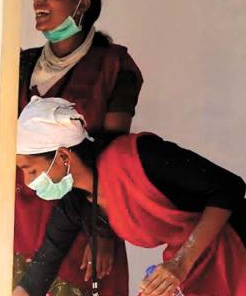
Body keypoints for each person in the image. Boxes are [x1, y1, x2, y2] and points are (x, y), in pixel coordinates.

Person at [13, 97, 246, 296]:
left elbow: (229, 187)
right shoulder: (77, 202)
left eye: (31, 169)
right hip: (192, 266)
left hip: (233, 245)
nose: (27, 181)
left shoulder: (137, 157)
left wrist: (182, 262)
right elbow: (43, 267)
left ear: (63, 156)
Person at [14, 0, 142, 295]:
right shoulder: (21, 64)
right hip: (18, 218)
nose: (38, 0)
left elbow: (113, 154)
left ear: (81, 4)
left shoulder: (115, 66)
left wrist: (102, 231)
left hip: (83, 219)